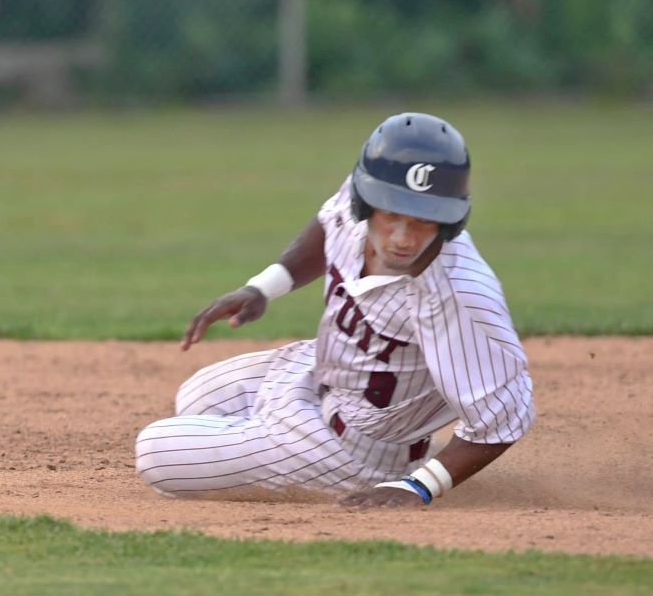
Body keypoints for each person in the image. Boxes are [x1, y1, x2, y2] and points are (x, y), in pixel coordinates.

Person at [134, 112, 535, 508]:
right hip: (313, 374)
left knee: (154, 450)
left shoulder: (460, 297)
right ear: (367, 201)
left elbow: (502, 416)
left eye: (422, 222)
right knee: (196, 396)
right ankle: (262, 440)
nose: (402, 238)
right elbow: (331, 223)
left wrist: (420, 486)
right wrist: (264, 287)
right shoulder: (369, 191)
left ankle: (301, 455)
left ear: (448, 220)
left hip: (358, 448)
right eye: (391, 214)